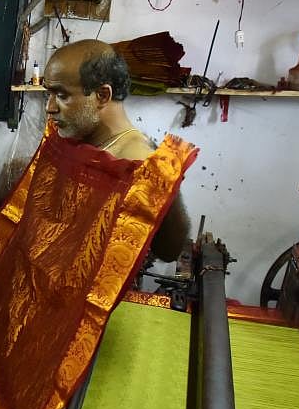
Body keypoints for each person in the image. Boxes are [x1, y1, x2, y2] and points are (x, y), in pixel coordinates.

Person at [42, 38, 190, 261]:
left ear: (102, 95)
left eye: (61, 95)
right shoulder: (78, 142)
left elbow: (169, 251)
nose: (50, 107)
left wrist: (164, 188)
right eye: (48, 95)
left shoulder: (139, 162)